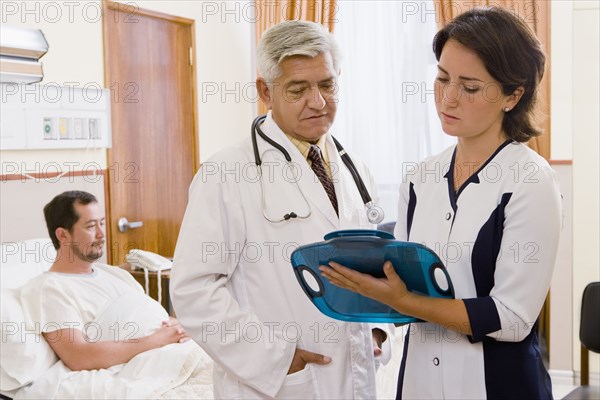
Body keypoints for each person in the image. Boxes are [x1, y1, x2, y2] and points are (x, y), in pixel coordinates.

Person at [320, 7, 561, 400]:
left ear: (512, 95)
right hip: (419, 382)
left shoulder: (530, 181)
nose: (448, 97)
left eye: (469, 87)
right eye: (442, 78)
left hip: (498, 385)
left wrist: (406, 302)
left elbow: (511, 318)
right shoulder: (419, 179)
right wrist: (381, 321)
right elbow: (404, 280)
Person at [170, 20, 389, 399]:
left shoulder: (355, 169)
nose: (318, 102)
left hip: (354, 370)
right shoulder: (226, 173)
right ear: (265, 92)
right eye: (298, 89)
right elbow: (193, 290)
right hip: (281, 382)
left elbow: (373, 266)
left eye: (327, 84)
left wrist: (379, 328)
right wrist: (275, 358)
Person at [22, 190, 189, 371]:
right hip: (146, 364)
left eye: (102, 223)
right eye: (91, 226)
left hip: (179, 349)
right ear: (63, 235)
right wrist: (156, 340)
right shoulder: (51, 289)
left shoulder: (113, 273)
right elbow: (79, 357)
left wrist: (176, 325)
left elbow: (147, 315)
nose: (102, 234)